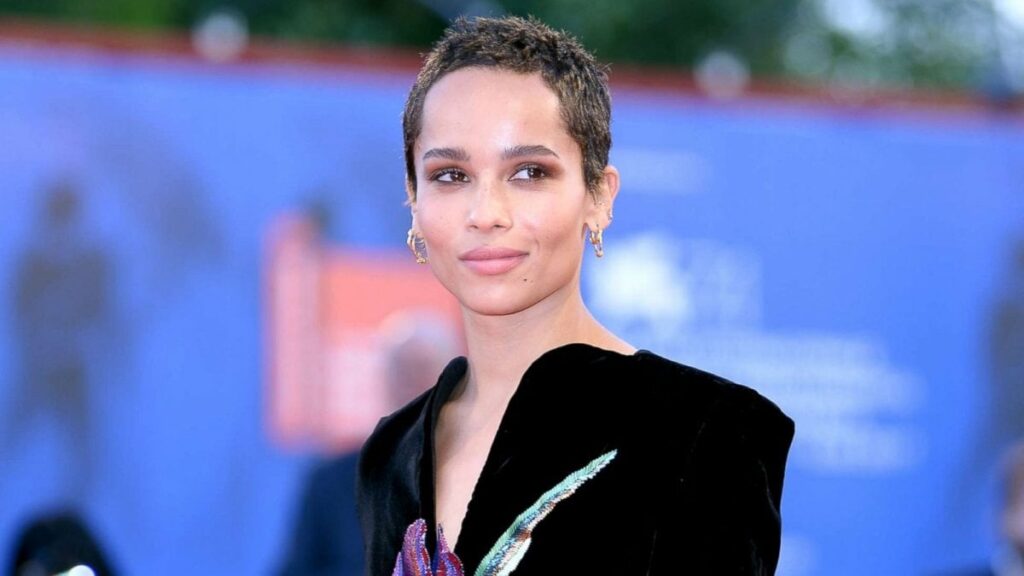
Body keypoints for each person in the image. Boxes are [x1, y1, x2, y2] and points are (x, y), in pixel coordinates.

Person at [357, 16, 795, 576]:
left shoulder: (705, 428)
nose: (486, 213)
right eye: (450, 175)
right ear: (413, 200)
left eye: (529, 172)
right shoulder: (391, 453)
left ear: (598, 197)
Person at [276, 312, 459, 576]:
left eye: (423, 371)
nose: (412, 385)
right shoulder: (333, 482)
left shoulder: (483, 477)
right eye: (402, 371)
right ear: (385, 380)